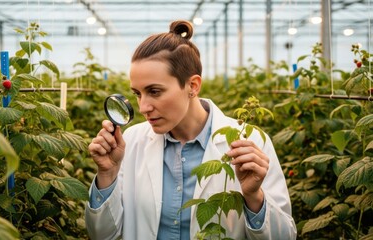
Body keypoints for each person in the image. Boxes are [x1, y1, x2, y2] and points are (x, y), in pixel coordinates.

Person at [86, 20, 297, 239]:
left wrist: (254, 196)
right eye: (138, 93)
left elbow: (286, 236)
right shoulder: (131, 141)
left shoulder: (251, 142)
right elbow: (103, 235)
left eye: (155, 91)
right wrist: (107, 174)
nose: (143, 107)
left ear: (193, 86)